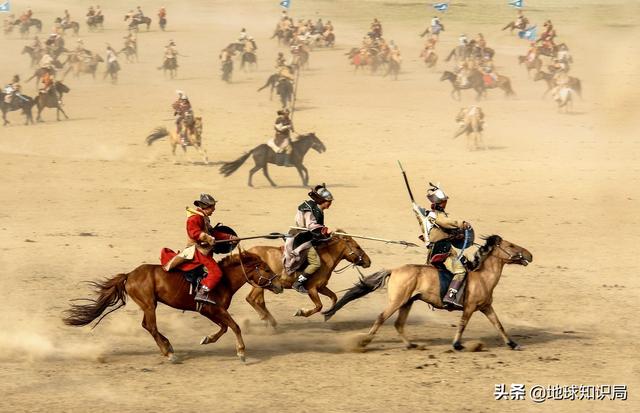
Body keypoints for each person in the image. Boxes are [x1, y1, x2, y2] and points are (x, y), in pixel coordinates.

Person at [412, 183, 471, 308]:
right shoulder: (438, 216)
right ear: (441, 202)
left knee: (464, 261)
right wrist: (461, 223)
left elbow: (440, 232)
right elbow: (444, 222)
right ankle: (450, 296)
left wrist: (455, 236)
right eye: (444, 201)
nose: (446, 203)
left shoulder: (430, 216)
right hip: (443, 251)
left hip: (439, 249)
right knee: (460, 271)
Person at [288, 184, 334, 293]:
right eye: (329, 201)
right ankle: (298, 283)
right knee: (316, 263)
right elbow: (311, 226)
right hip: (303, 239)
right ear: (322, 200)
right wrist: (325, 230)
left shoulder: (318, 209)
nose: (330, 204)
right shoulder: (309, 209)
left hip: (311, 237)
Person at [184, 194, 224, 306]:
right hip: (198, 252)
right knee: (216, 273)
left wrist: (230, 238)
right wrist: (207, 238)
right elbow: (194, 233)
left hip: (204, 251)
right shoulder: (194, 218)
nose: (214, 209)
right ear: (205, 206)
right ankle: (202, 293)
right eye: (212, 207)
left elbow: (213, 233)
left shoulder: (203, 217)